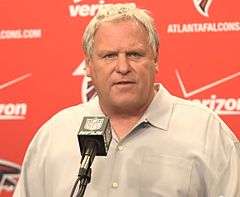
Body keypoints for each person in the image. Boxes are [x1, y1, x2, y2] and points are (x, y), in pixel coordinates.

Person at [14, 3, 240, 197]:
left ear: (155, 59)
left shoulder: (207, 132)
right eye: (109, 56)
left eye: (134, 54)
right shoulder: (54, 135)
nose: (122, 67)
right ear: (89, 66)